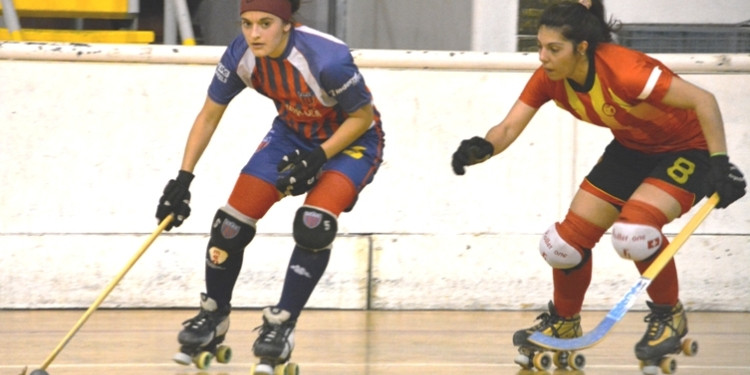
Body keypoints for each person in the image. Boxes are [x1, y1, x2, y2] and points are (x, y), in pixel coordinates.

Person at [451, 0, 745, 367]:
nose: (543, 57)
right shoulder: (550, 78)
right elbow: (509, 127)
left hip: (688, 148)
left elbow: (704, 100)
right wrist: (485, 146)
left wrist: (720, 163)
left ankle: (669, 316)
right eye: (539, 47)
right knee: (562, 245)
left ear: (582, 48)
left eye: (553, 49)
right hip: (631, 149)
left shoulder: (626, 71)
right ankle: (564, 323)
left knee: (634, 232)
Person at [155, 0, 385, 373]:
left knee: (314, 224)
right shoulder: (241, 54)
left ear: (287, 25)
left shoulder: (328, 59)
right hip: (293, 133)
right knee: (229, 226)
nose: (254, 34)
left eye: (265, 23)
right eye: (246, 24)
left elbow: (361, 118)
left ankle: (281, 325)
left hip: (352, 142)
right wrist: (183, 178)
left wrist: (319, 157)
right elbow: (209, 114)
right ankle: (214, 316)